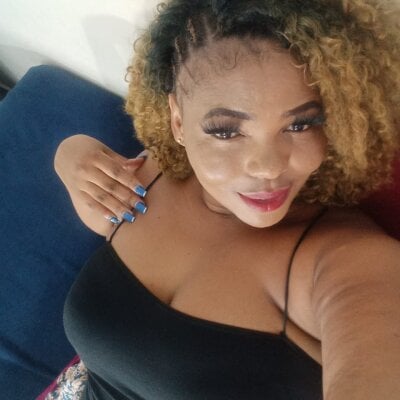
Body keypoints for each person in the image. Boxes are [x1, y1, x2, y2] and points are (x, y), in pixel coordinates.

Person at [50, 0, 400, 399]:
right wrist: (70, 154)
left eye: (301, 124)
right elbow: (99, 209)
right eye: (226, 131)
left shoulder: (347, 262)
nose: (268, 167)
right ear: (178, 122)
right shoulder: (150, 179)